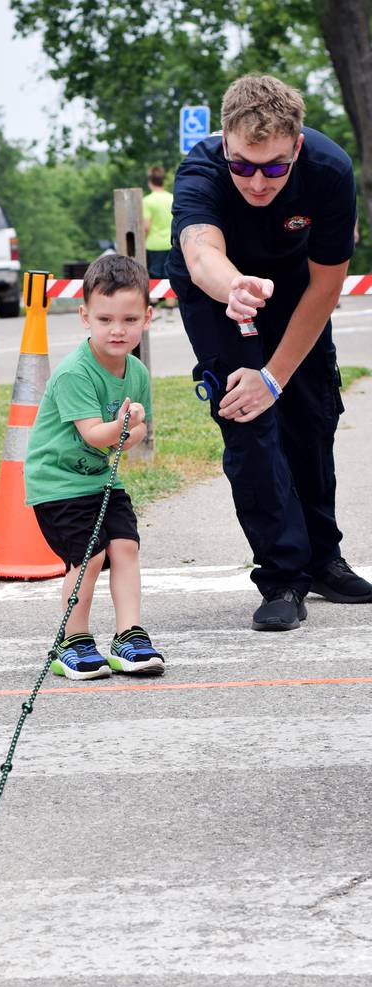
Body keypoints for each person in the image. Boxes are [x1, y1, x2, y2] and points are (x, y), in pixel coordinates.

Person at [169, 73, 372, 630]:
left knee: (311, 413)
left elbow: (327, 286)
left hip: (299, 287)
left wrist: (277, 375)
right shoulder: (201, 169)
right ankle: (283, 576)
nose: (258, 182)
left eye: (275, 166)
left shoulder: (329, 170)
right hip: (220, 294)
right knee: (248, 415)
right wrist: (233, 286)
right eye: (243, 165)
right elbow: (199, 249)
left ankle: (323, 558)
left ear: (297, 146)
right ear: (225, 144)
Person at [24, 255, 165, 678]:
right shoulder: (75, 374)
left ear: (148, 318)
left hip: (101, 480)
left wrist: (132, 426)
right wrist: (127, 424)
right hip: (57, 483)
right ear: (85, 317)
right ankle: (73, 641)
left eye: (129, 319)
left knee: (125, 547)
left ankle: (129, 635)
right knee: (90, 554)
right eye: (105, 319)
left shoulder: (136, 371)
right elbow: (95, 435)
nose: (117, 330)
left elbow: (134, 437)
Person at [142, 165, 175, 320]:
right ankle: (169, 310)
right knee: (170, 275)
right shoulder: (172, 198)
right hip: (171, 243)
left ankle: (154, 309)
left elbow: (146, 225)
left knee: (154, 275)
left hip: (153, 244)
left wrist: (142, 240)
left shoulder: (147, 201)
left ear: (150, 181)